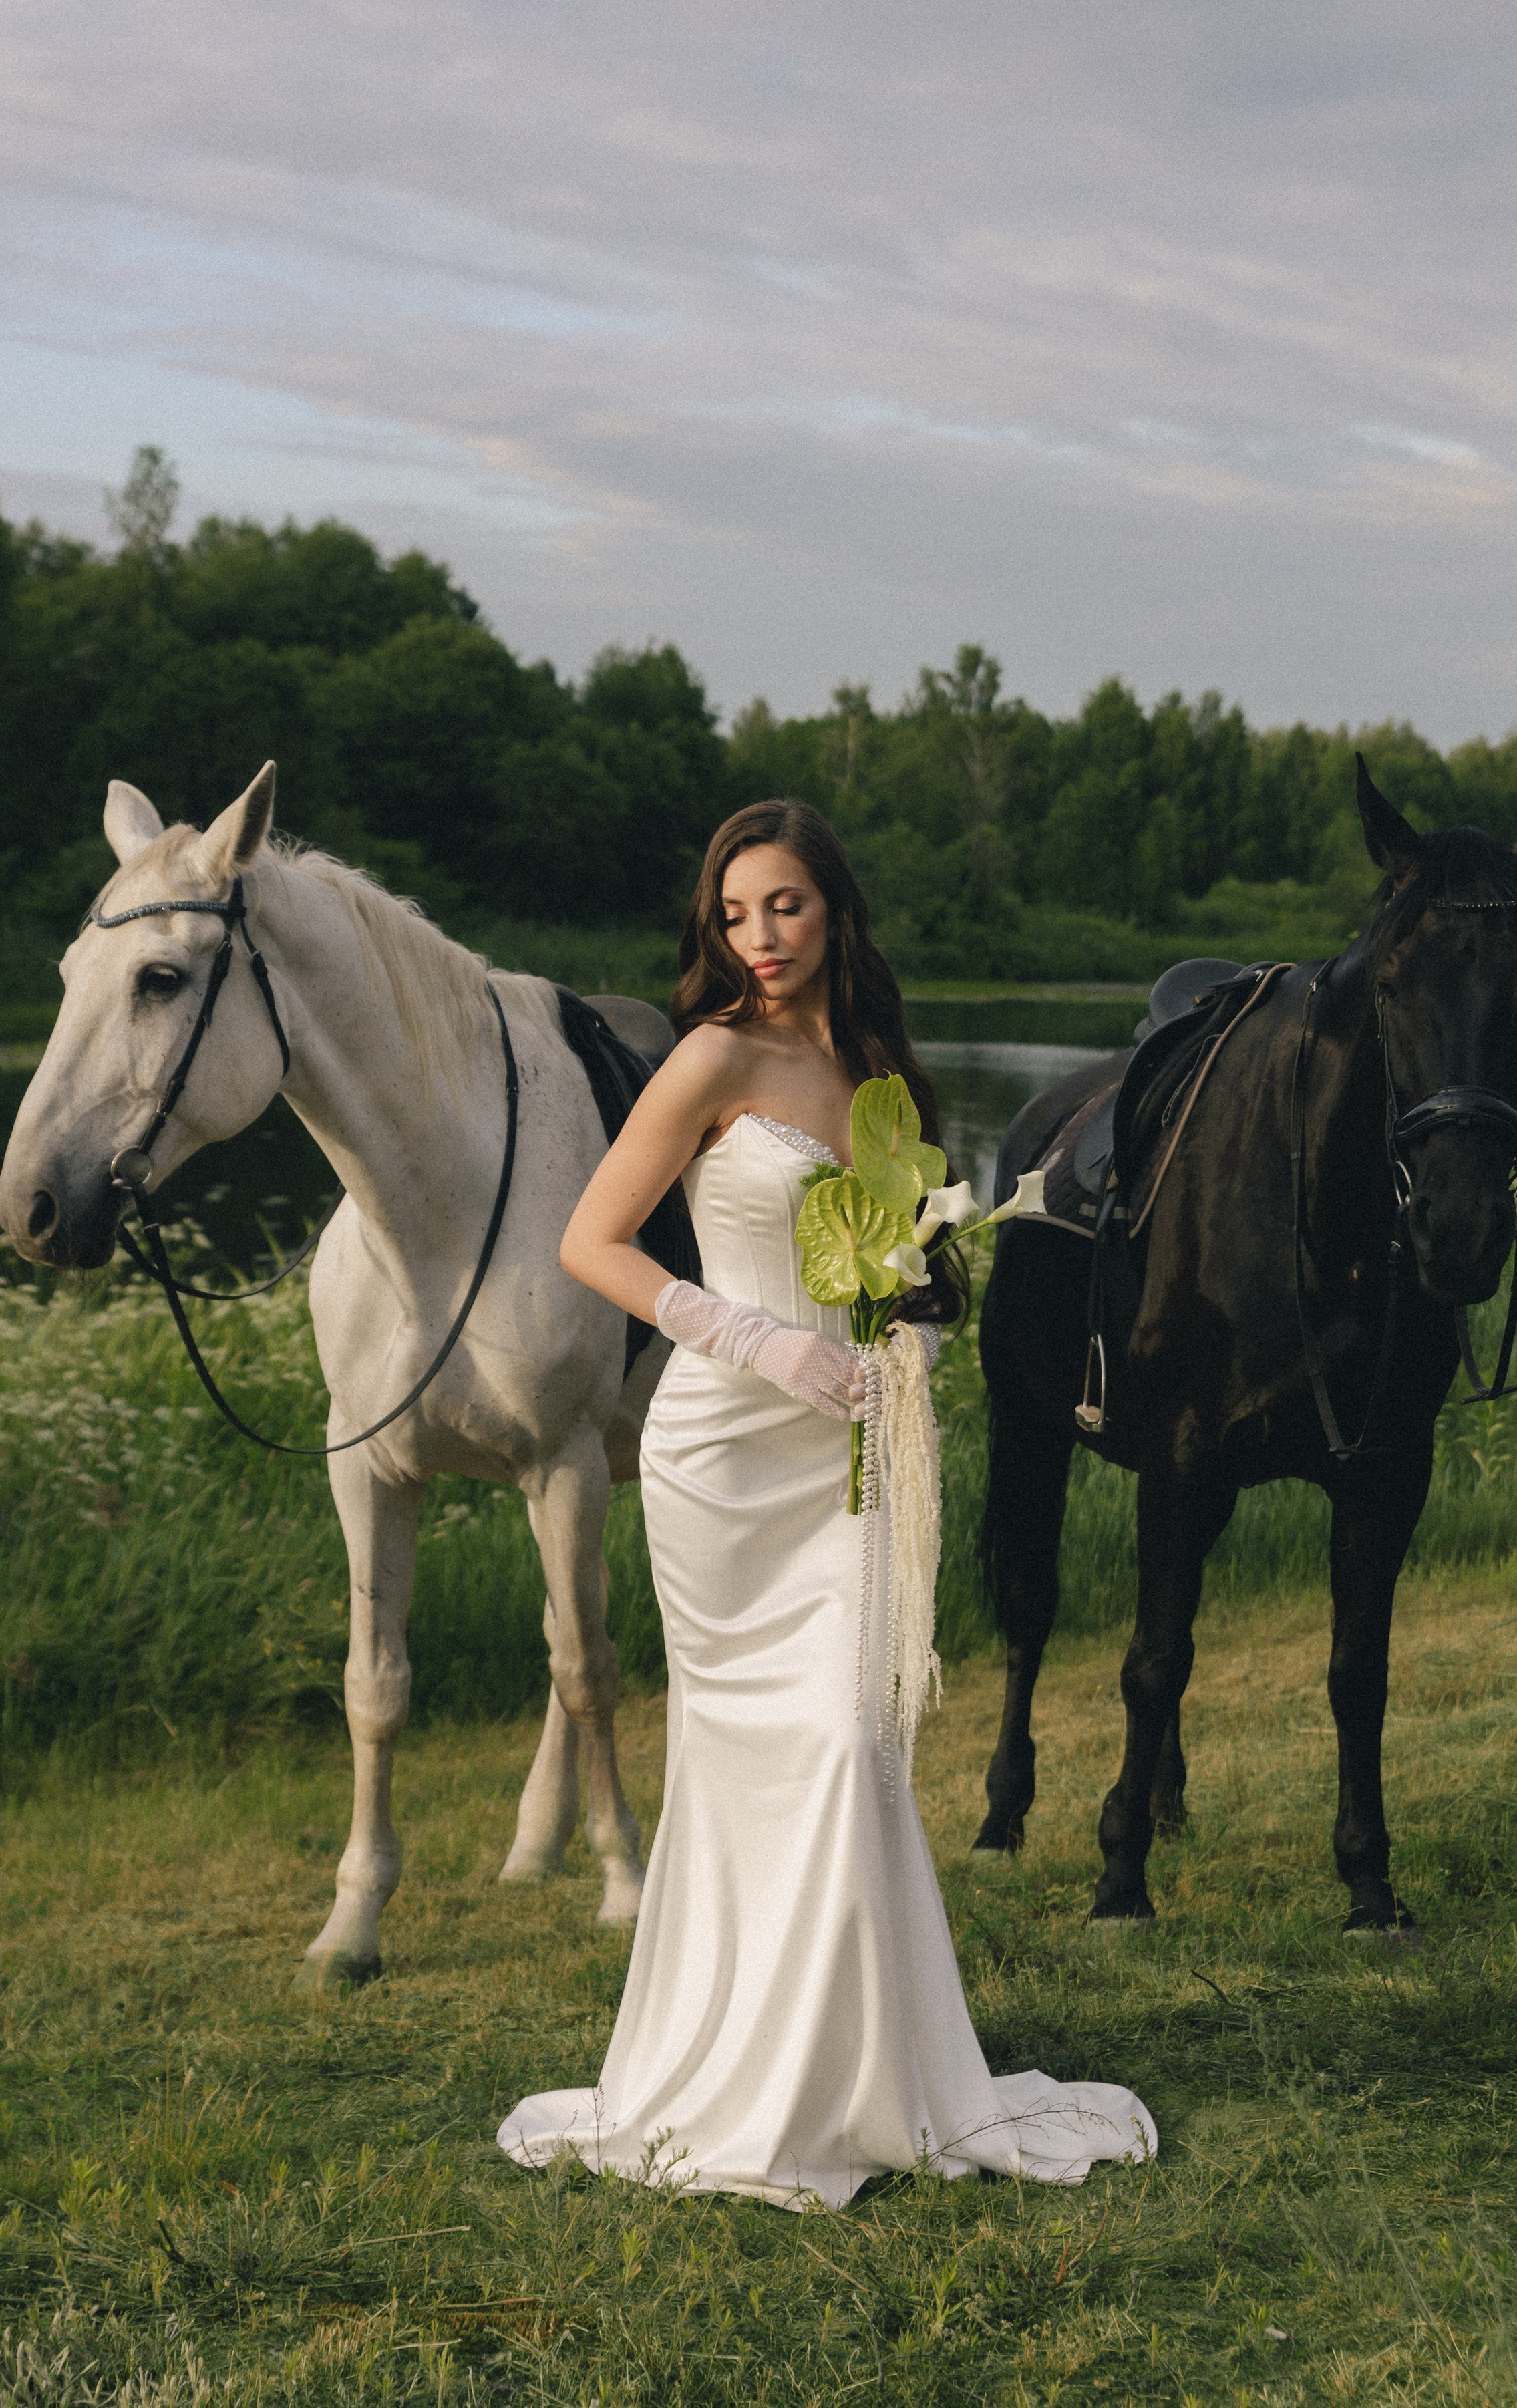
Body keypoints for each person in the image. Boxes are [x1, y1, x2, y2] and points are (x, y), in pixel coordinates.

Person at [497, 799, 1155, 2209]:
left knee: (859, 1741)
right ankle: (744, 2073)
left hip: (852, 1455)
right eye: (733, 915)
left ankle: (869, 2073)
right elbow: (588, 1243)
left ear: (832, 911)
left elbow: (902, 1259)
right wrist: (757, 1340)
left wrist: (901, 1338)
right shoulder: (708, 1058)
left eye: (782, 906)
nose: (758, 938)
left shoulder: (874, 1072)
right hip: (724, 1451)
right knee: (757, 1762)